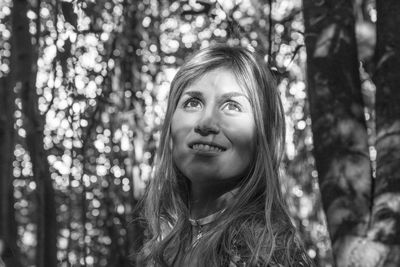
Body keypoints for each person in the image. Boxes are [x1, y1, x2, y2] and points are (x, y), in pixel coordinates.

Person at [139, 44, 313, 266]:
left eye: (232, 106)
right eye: (193, 103)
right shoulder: (166, 248)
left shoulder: (264, 254)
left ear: (263, 135)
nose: (206, 123)